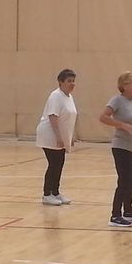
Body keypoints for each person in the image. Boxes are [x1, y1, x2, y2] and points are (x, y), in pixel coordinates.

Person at [98, 71, 132, 228]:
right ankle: (115, 215)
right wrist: (122, 125)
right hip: (121, 146)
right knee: (124, 180)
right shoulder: (117, 100)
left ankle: (128, 210)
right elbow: (103, 117)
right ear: (124, 86)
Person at [36, 69, 78, 206]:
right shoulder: (55, 96)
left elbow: (69, 118)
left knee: (59, 164)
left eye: (73, 81)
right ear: (60, 82)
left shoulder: (69, 97)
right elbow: (53, 117)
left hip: (60, 135)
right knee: (53, 164)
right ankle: (47, 194)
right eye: (69, 81)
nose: (72, 84)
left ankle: (55, 192)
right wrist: (59, 137)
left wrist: (70, 136)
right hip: (49, 135)